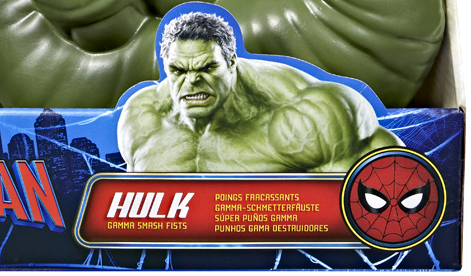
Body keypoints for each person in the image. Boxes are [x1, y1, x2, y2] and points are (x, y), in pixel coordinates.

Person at [116, 12, 399, 174]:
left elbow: (397, 184)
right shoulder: (143, 117)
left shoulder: (309, 114)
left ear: (231, 63)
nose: (192, 81)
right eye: (178, 70)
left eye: (207, 68)